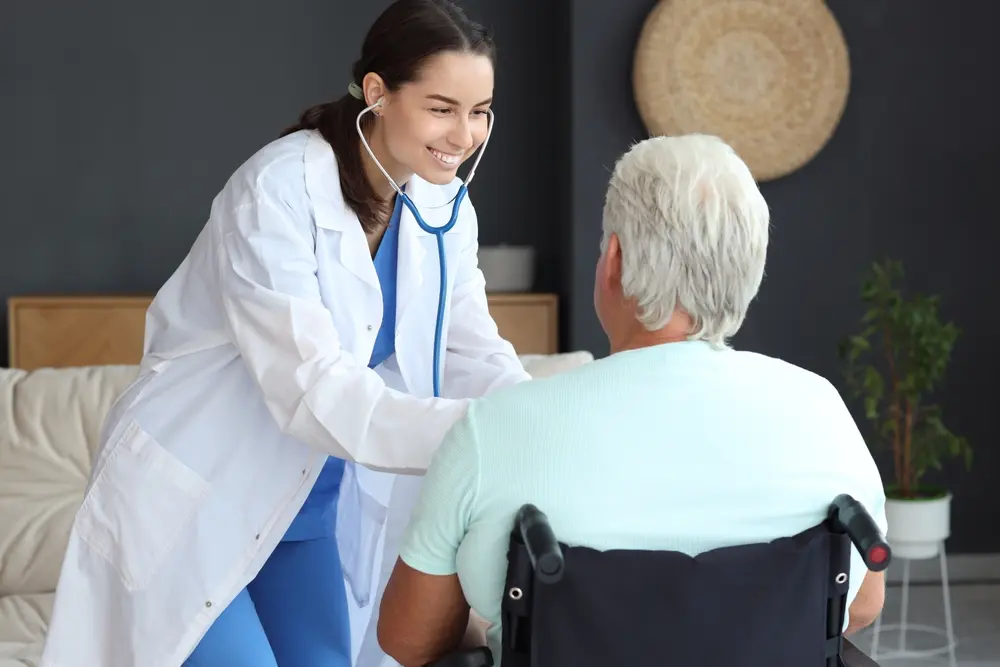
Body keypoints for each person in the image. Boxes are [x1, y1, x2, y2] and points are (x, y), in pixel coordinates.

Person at [37, 2, 530, 667]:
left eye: (481, 111)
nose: (465, 134)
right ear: (378, 93)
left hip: (309, 513)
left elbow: (472, 348)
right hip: (201, 502)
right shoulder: (277, 190)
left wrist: (540, 417)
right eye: (442, 108)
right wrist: (480, 433)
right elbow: (313, 391)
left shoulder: (443, 205)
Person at [376, 134, 889, 667]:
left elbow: (410, 639)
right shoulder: (822, 412)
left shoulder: (490, 430)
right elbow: (860, 605)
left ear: (614, 261)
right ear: (750, 266)